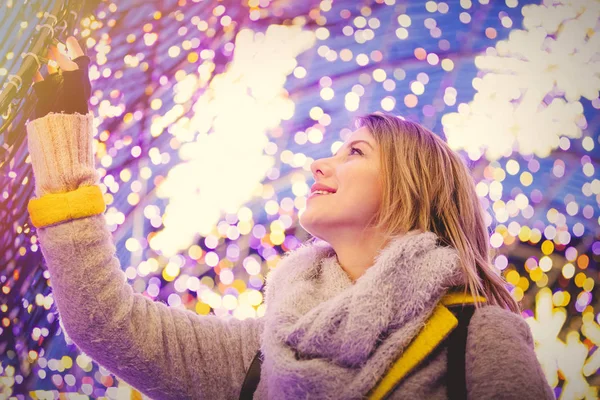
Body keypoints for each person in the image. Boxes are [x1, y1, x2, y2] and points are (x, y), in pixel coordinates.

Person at [25, 36, 555, 399]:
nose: (318, 163)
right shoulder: (270, 348)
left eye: (355, 151)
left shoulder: (475, 339)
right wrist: (61, 132)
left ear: (412, 189)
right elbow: (106, 322)